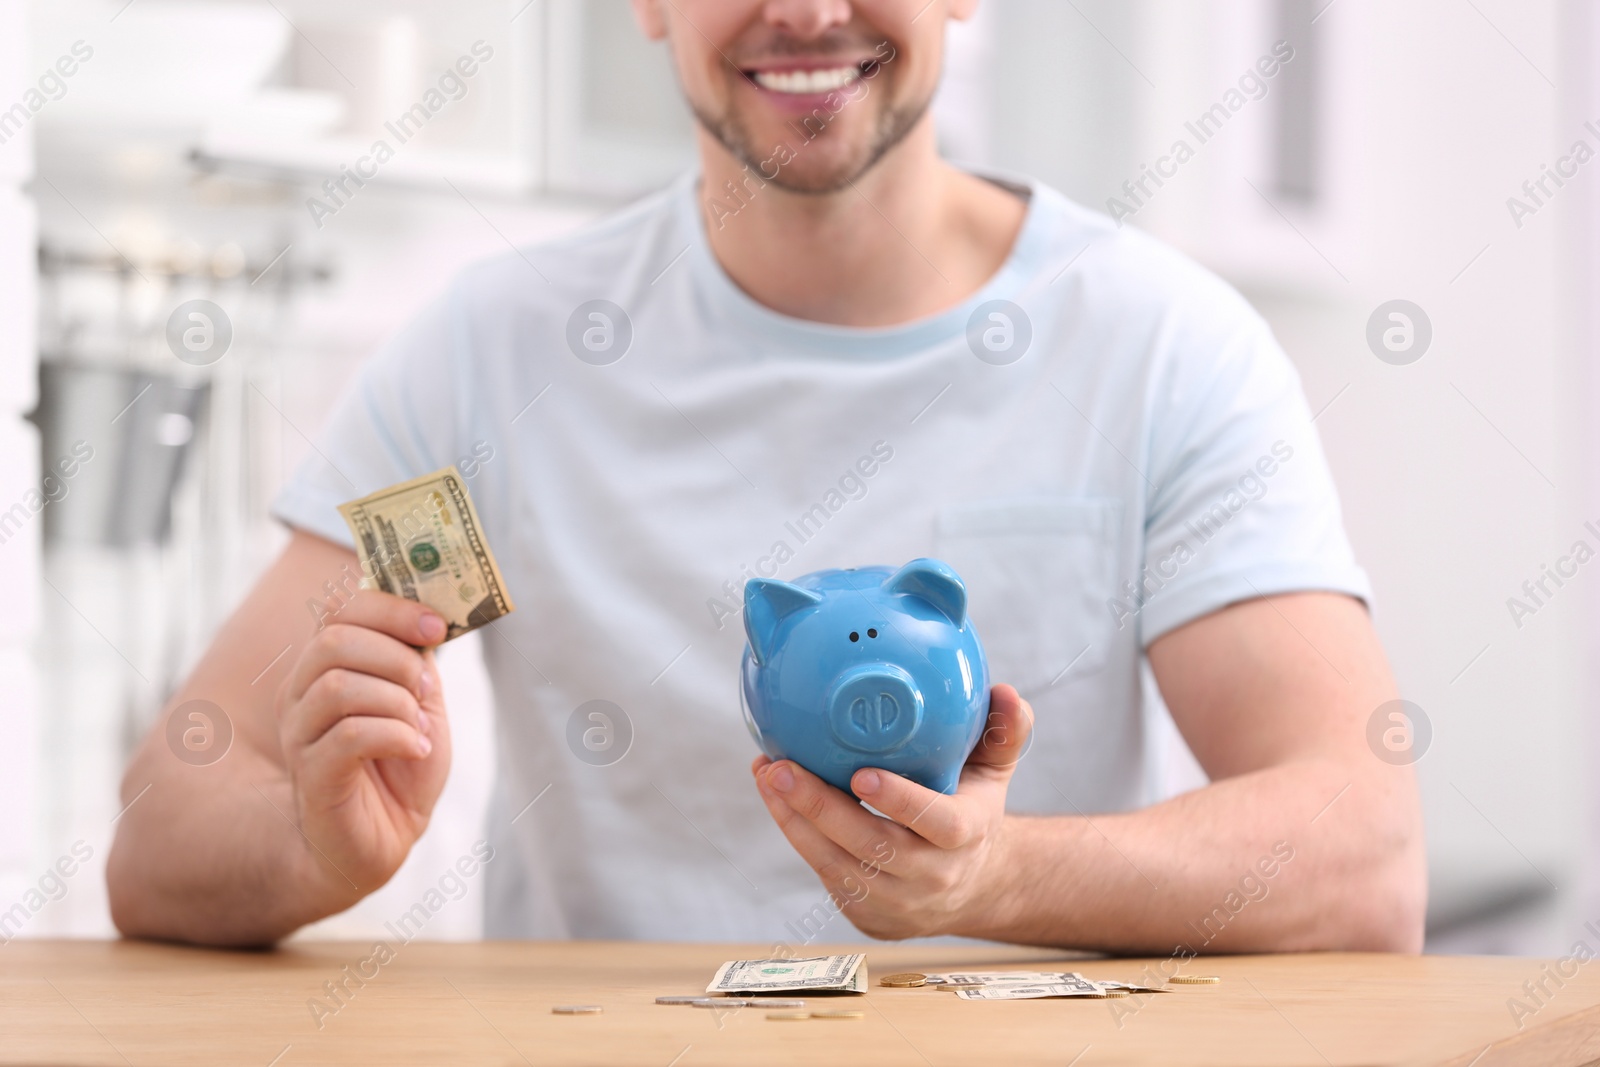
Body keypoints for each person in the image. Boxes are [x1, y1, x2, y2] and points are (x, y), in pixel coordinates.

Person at [107, 0, 1426, 951]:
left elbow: (1362, 856)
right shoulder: (497, 373)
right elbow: (169, 834)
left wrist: (994, 882)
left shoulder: (1157, 352)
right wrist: (312, 850)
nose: (805, 12)